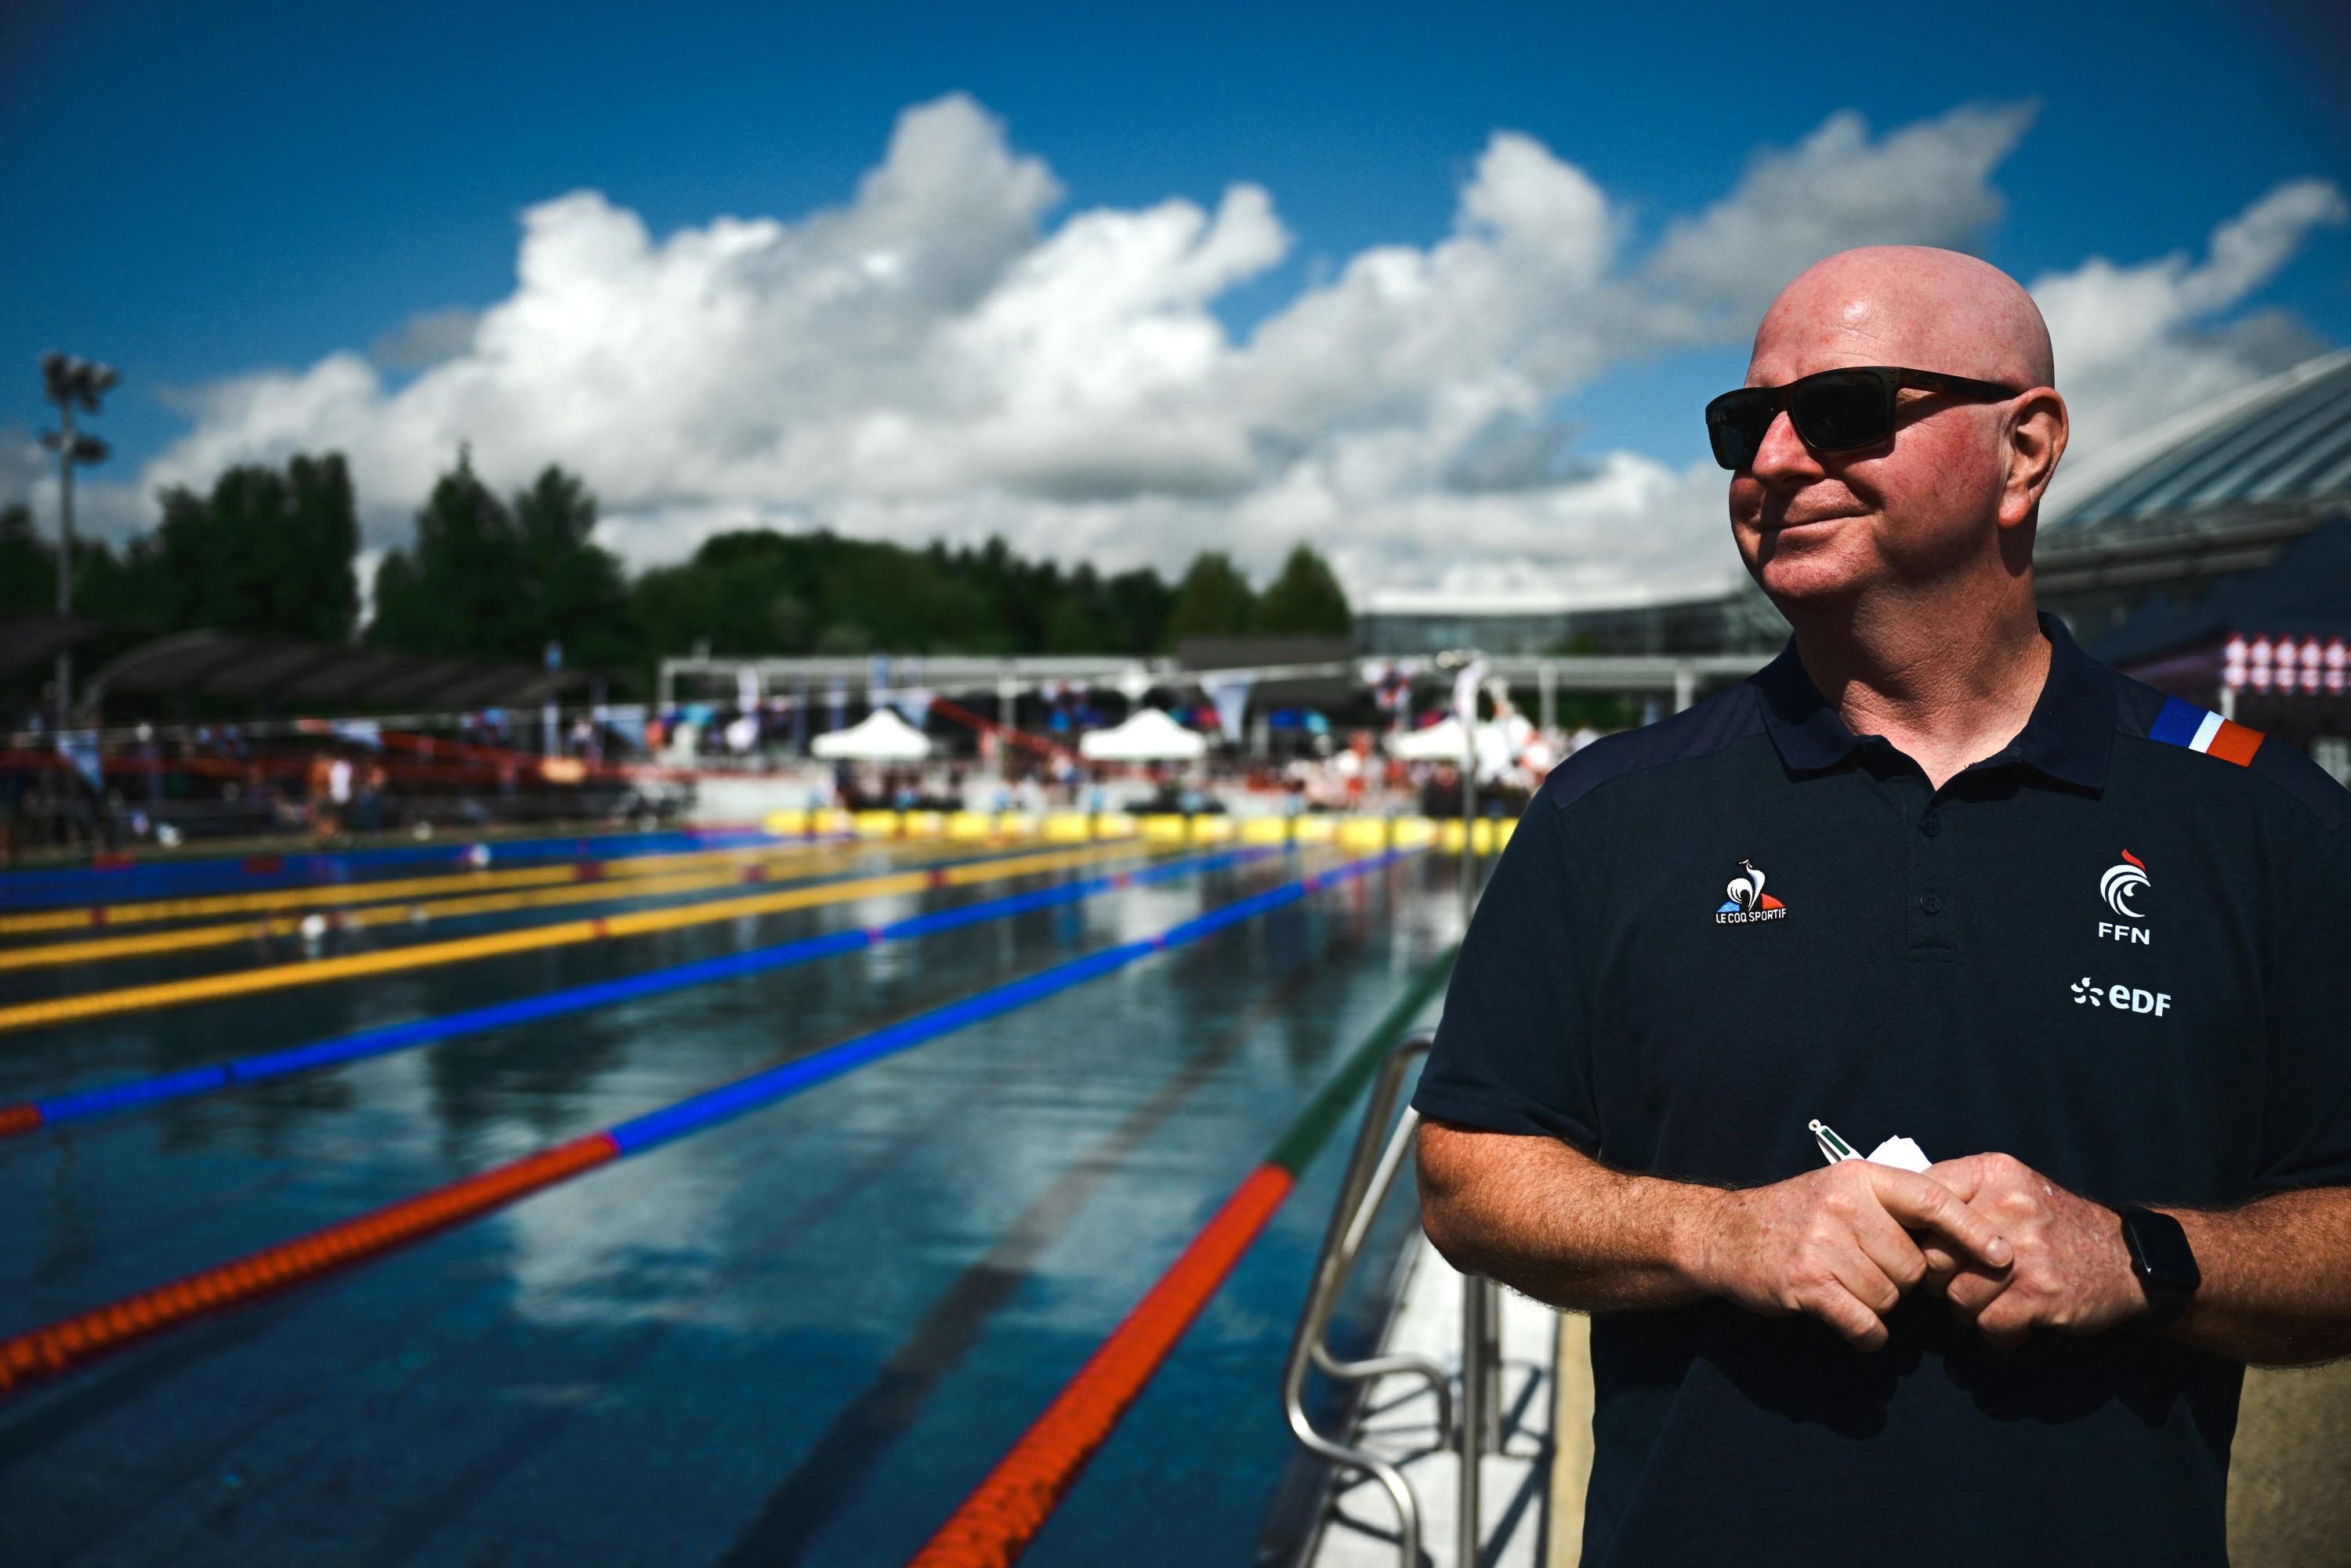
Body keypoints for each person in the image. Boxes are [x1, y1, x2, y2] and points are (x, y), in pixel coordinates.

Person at [1413, 245, 2351, 1566]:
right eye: (1746, 426)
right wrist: (1723, 1231)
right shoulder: (1607, 812)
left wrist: (2138, 1256)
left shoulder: (2266, 824)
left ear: (2024, 449)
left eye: (1845, 409)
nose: (1774, 460)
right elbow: (1465, 1172)